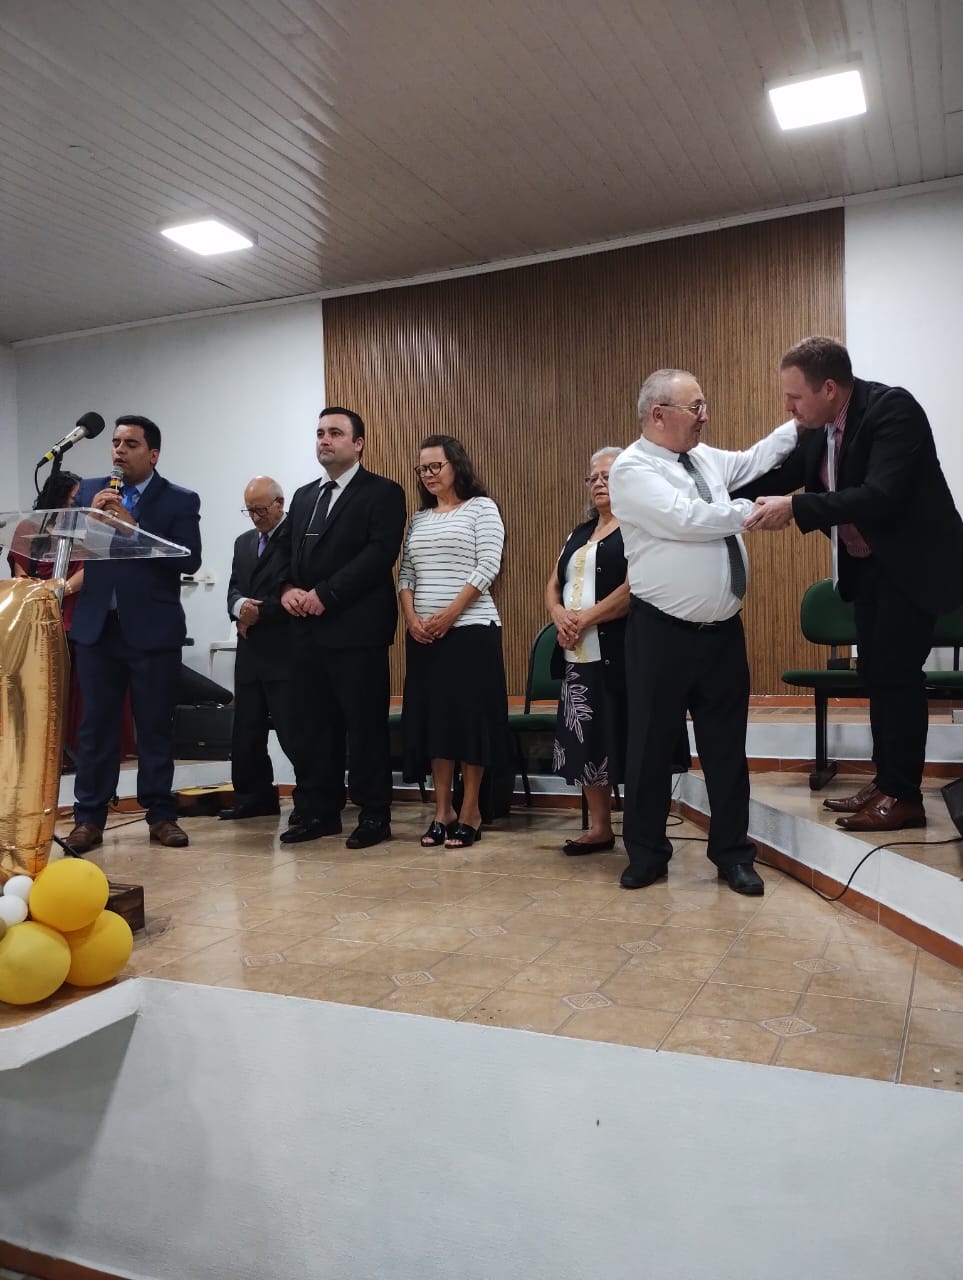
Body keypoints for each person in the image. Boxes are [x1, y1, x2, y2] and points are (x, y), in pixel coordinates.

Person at [744, 336, 963, 831]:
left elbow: (879, 495)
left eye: (795, 397)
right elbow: (776, 479)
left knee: (898, 678)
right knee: (878, 676)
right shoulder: (818, 428)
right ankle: (886, 782)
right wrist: (709, 494)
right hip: (869, 570)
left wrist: (795, 508)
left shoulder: (893, 410)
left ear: (828, 388)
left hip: (911, 567)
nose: (788, 408)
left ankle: (904, 797)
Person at [608, 369, 799, 894]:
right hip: (660, 634)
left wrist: (799, 423)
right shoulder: (632, 468)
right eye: (695, 407)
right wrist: (755, 512)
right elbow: (686, 518)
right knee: (649, 748)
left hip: (722, 635)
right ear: (658, 414)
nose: (704, 416)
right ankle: (646, 854)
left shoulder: (705, 459)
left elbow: (757, 459)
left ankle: (733, 855)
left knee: (726, 750)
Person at [65, 415, 202, 852]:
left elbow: (189, 559)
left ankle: (161, 815)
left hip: (152, 630)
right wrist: (85, 521)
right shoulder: (90, 491)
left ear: (153, 454)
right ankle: (89, 818)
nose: (119, 451)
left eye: (130, 444)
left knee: (155, 726)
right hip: (98, 628)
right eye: (115, 442)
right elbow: (70, 545)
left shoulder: (179, 499)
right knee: (95, 728)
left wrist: (132, 527)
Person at [547, 447, 691, 854]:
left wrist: (583, 619)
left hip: (625, 654)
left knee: (633, 740)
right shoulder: (579, 533)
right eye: (592, 477)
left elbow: (635, 587)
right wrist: (558, 614)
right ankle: (599, 828)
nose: (598, 483)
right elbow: (554, 583)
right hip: (579, 655)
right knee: (589, 742)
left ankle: (644, 831)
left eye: (607, 476)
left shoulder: (639, 528)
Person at [276, 407, 406, 848]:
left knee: (364, 728)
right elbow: (282, 552)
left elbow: (378, 555)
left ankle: (373, 815)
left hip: (356, 631)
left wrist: (325, 594)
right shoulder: (303, 496)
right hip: (305, 632)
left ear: (358, 443)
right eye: (319, 433)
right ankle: (319, 811)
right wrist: (287, 588)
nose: (324, 440)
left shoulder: (382, 492)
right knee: (312, 727)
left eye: (335, 433)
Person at [399, 435, 511, 849]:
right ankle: (442, 811)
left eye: (436, 466)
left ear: (456, 465)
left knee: (470, 724)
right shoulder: (419, 519)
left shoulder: (482, 508)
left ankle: (470, 811)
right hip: (425, 637)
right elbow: (406, 574)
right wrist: (412, 618)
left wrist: (450, 614)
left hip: (471, 631)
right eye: (422, 468)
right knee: (436, 724)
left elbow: (488, 565)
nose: (428, 474)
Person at [218, 476, 297, 821]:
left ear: (280, 504)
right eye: (249, 511)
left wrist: (259, 613)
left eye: (261, 510)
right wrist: (239, 609)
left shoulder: (296, 538)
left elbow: (296, 590)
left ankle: (311, 798)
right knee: (246, 728)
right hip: (249, 648)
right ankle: (253, 797)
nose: (254, 517)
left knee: (292, 728)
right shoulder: (244, 542)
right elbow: (234, 588)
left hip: (285, 648)